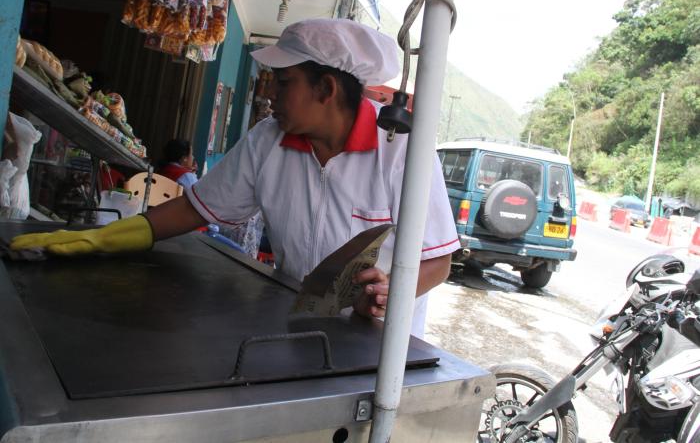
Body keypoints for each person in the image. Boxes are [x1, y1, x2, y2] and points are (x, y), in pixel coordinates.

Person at [10, 18, 460, 338]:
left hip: (374, 343)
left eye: (283, 83)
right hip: (293, 324)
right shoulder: (269, 140)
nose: (269, 94)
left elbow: (438, 260)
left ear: (325, 89)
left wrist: (388, 293)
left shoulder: (402, 150)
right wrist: (102, 238)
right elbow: (195, 206)